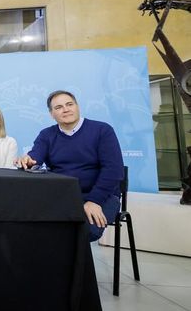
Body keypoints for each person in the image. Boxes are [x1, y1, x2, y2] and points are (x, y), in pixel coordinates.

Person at [16, 90, 124, 241]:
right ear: (51, 114)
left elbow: (114, 171)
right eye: (58, 107)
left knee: (84, 231)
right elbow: (35, 157)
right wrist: (27, 160)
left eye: (69, 104)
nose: (65, 109)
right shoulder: (46, 134)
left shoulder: (102, 130)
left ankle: (76, 265)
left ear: (77, 106)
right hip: (63, 195)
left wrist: (94, 201)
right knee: (32, 226)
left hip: (101, 196)